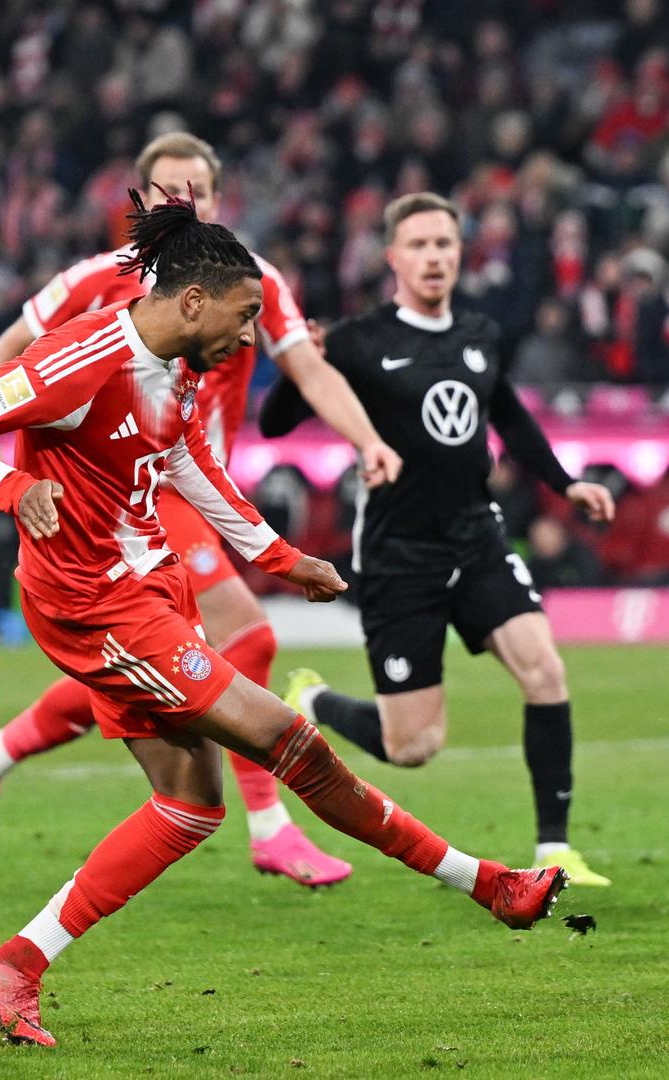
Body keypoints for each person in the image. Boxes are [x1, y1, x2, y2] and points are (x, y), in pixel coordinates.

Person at [0, 189, 566, 1048]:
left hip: (149, 587)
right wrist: (12, 487)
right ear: (192, 301)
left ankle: (17, 963)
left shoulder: (174, 367)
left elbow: (187, 460)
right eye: (244, 316)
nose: (250, 336)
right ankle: (486, 885)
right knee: (294, 743)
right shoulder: (82, 359)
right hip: (97, 605)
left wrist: (283, 559)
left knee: (189, 805)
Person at [0, 133, 400, 889]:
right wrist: (7, 473)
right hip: (119, 500)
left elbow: (308, 366)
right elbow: (4, 359)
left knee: (153, 673)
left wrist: (366, 439)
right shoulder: (95, 282)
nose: (184, 204)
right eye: (167, 193)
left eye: (200, 192)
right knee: (245, 639)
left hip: (189, 488)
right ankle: (271, 828)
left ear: (221, 202)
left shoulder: (248, 283)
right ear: (144, 203)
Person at [261, 192, 617, 886]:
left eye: (445, 245)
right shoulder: (361, 340)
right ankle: (317, 703)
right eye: (419, 245)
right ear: (392, 257)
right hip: (399, 557)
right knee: (415, 745)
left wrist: (565, 482)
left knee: (544, 671)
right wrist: (305, 354)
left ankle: (555, 851)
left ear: (461, 255)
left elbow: (508, 416)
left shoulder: (480, 333)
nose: (433, 258)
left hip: (475, 537)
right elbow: (276, 424)